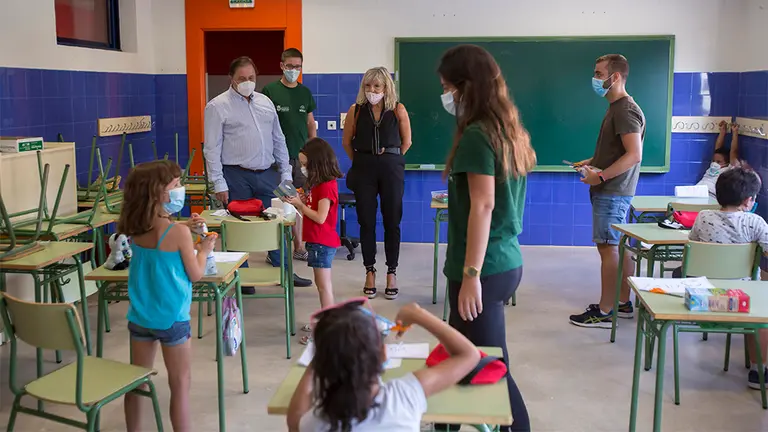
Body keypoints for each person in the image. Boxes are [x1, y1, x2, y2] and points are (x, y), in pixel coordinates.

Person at [438, 44, 535, 432]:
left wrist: (471, 275)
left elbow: (483, 206)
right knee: (455, 358)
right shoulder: (505, 128)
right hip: (503, 260)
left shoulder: (479, 135)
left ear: (465, 87)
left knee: (493, 369)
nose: (446, 97)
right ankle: (444, 424)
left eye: (447, 88)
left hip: (484, 268)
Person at [118, 160, 216, 432]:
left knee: (136, 383)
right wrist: (204, 249)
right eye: (175, 186)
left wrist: (184, 226)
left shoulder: (136, 225)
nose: (180, 190)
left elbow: (161, 232)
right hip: (173, 318)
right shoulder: (178, 233)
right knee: (180, 384)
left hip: (140, 316)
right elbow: (196, 273)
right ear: (157, 193)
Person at [286, 301, 480, 431]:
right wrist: (419, 314)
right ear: (384, 354)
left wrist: (325, 351)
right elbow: (469, 355)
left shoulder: (317, 422)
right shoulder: (404, 397)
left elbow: (294, 418)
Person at [204, 55, 311, 289]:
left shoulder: (265, 102)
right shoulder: (217, 106)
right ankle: (241, 279)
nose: (247, 82)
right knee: (238, 228)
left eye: (251, 77)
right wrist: (218, 183)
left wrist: (286, 175)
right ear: (231, 78)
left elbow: (278, 139)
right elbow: (211, 149)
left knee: (278, 223)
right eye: (242, 78)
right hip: (235, 175)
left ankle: (284, 272)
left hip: (268, 173)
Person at [568, 54, 645, 329]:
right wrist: (592, 162)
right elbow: (618, 150)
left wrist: (599, 176)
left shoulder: (625, 109)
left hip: (613, 190)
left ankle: (605, 310)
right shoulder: (616, 108)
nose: (595, 78)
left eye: (599, 74)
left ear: (615, 77)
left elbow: (634, 154)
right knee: (616, 246)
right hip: (611, 188)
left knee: (608, 248)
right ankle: (622, 303)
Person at [684, 167, 768, 389]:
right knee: (762, 316)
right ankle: (758, 370)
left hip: (703, 296)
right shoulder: (755, 223)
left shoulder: (703, 217)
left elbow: (692, 244)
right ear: (749, 200)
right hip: (742, 300)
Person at [342, 66, 412, 300]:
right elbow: (346, 142)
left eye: (377, 86)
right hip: (364, 169)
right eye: (368, 86)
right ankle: (369, 271)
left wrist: (390, 159)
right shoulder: (356, 110)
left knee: (392, 221)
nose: (372, 90)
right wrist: (363, 160)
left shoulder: (398, 109)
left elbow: (407, 142)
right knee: (366, 221)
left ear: (386, 88)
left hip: (391, 169)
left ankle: (392, 272)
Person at [282, 138, 343, 345]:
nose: (302, 168)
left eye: (305, 164)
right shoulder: (319, 184)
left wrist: (299, 205)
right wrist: (299, 197)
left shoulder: (326, 187)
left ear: (317, 163)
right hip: (318, 242)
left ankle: (326, 331)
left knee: (324, 287)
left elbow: (320, 217)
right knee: (322, 286)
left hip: (322, 242)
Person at [263, 48, 318, 261]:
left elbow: (310, 124)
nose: (294, 70)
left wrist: (313, 153)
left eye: (298, 66)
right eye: (290, 66)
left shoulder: (305, 93)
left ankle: (300, 246)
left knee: (301, 202)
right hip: (278, 160)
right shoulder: (270, 91)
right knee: (282, 203)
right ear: (282, 65)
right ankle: (279, 250)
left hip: (302, 158)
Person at [697, 121, 741, 198]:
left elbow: (734, 151)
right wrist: (722, 131)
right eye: (714, 161)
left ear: (727, 163)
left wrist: (735, 132)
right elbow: (717, 148)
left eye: (719, 162)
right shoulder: (712, 168)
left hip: (711, 195)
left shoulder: (729, 169)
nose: (714, 163)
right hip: (697, 190)